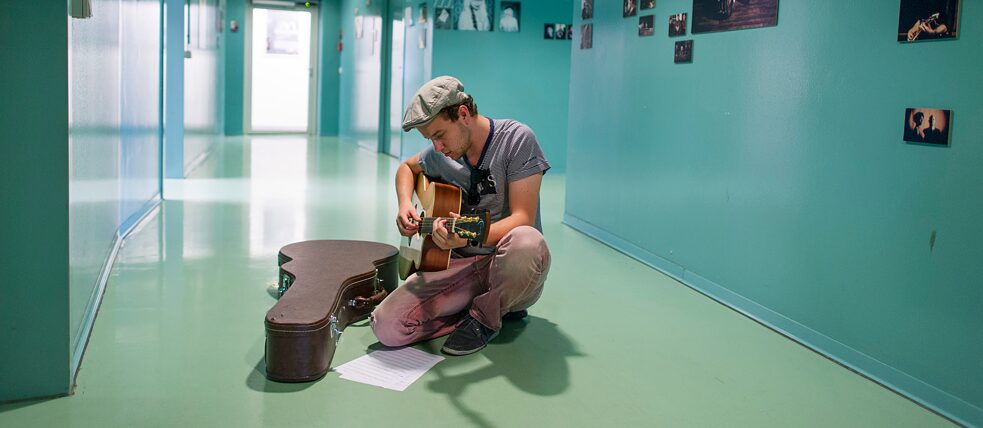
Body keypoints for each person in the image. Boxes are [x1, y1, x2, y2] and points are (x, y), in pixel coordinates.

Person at [371, 76, 552, 356]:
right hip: (461, 266)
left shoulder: (517, 139)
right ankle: (482, 307)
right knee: (387, 327)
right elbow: (406, 169)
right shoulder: (442, 153)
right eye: (430, 140)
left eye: (439, 135)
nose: (437, 147)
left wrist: (466, 237)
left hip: (510, 266)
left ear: (463, 114)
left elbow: (523, 218)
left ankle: (485, 318)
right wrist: (404, 204)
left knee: (527, 241)